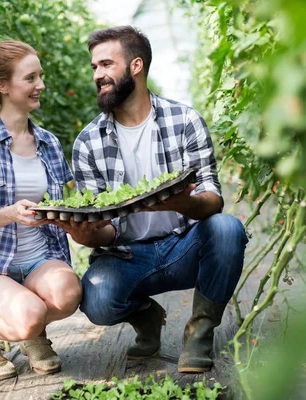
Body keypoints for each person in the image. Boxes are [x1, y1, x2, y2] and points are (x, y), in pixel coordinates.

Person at [54, 26, 248, 373]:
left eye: (106, 64)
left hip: (184, 246)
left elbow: (212, 199)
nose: (98, 75)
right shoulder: (88, 142)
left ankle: (200, 332)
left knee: (227, 230)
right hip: (130, 255)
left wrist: (179, 203)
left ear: (136, 66)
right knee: (97, 299)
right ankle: (145, 316)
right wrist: (86, 235)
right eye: (94, 67)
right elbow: (106, 228)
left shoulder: (185, 121)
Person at [0, 40, 82, 381]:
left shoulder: (49, 143)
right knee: (29, 314)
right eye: (31, 78)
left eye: (40, 76)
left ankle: (30, 329)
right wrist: (8, 213)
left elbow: (61, 205)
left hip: (40, 258)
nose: (41, 85)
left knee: (69, 294)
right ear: (3, 85)